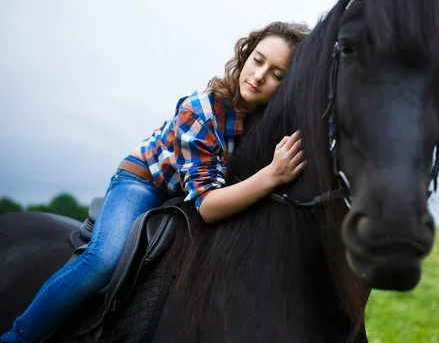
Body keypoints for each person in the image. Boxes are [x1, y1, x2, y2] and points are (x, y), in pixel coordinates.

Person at [1, 21, 312, 343]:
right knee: (103, 260)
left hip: (193, 194)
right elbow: (208, 205)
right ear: (246, 56)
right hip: (147, 183)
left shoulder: (268, 122)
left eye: (278, 74)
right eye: (258, 60)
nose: (260, 76)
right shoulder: (201, 110)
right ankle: (18, 336)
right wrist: (272, 175)